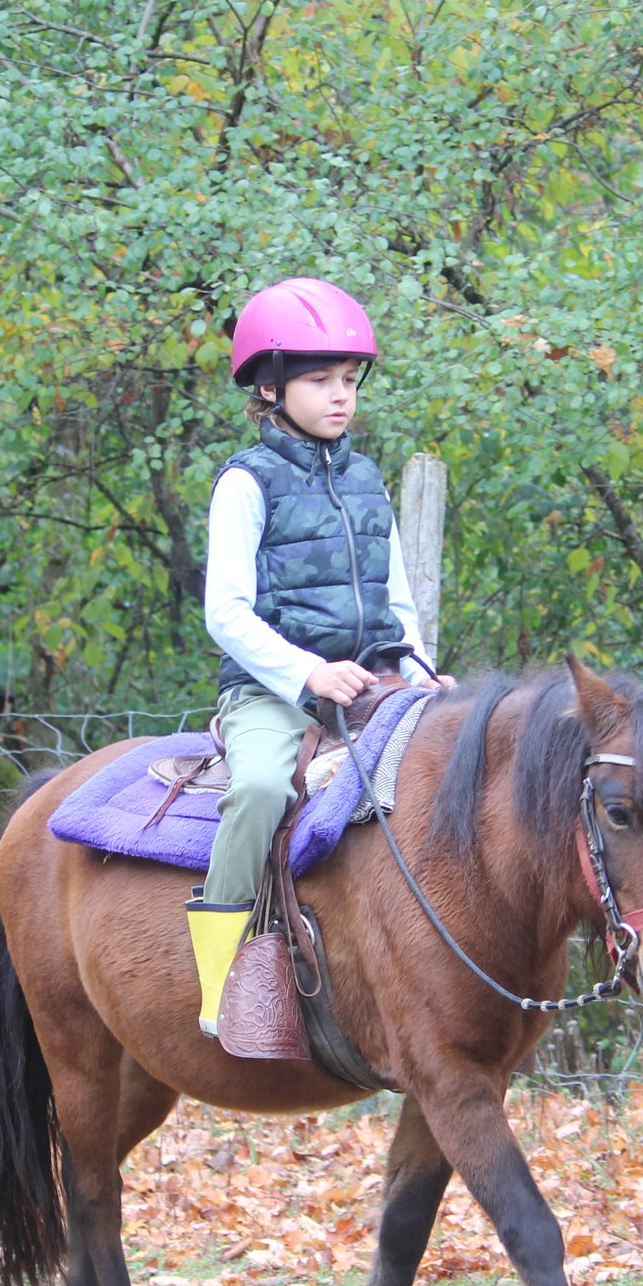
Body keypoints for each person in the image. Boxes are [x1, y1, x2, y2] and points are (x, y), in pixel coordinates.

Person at [189, 277, 447, 1037]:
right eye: (320, 381)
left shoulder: (366, 478)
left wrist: (427, 673)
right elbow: (225, 612)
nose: (342, 396)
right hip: (272, 695)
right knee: (263, 788)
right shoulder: (245, 482)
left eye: (348, 380)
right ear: (269, 386)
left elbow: (400, 601)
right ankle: (217, 982)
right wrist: (306, 671)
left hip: (375, 683)